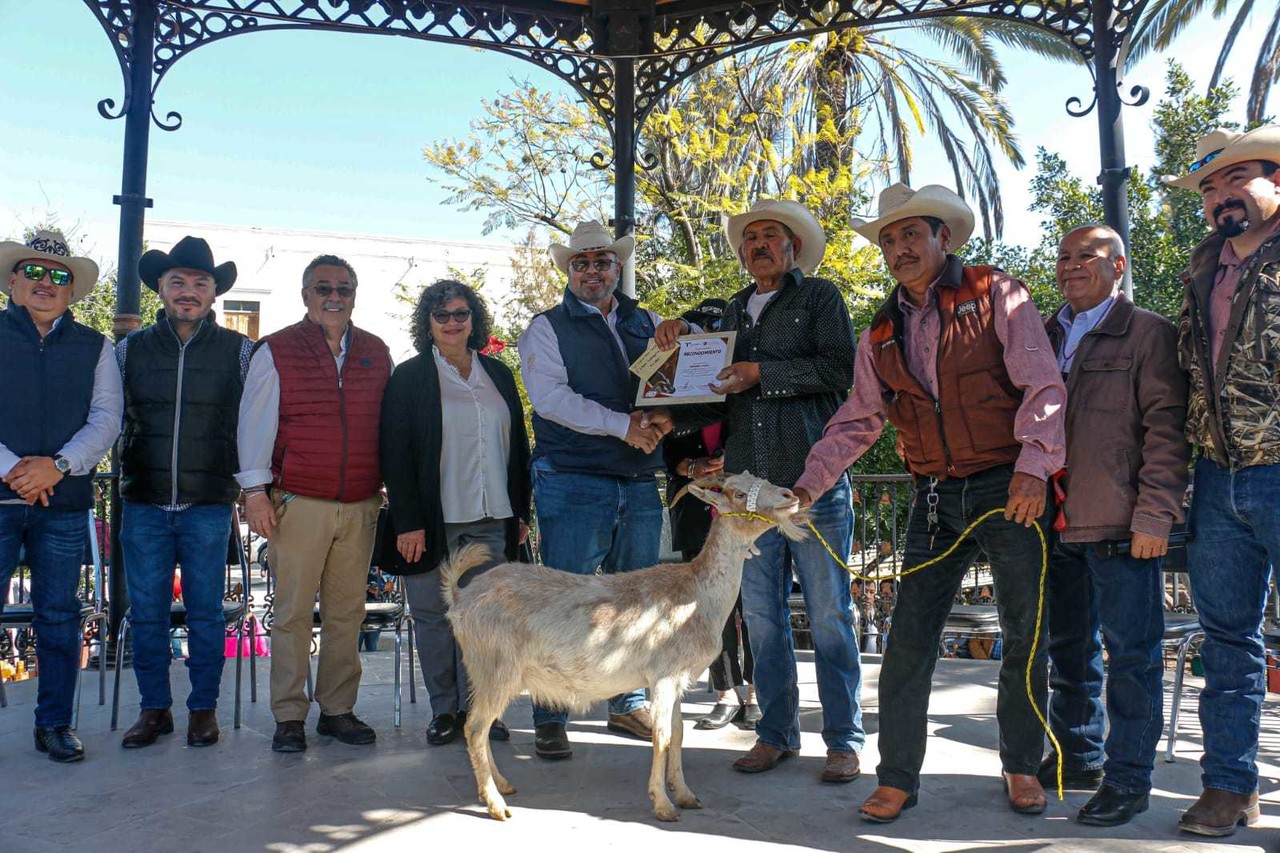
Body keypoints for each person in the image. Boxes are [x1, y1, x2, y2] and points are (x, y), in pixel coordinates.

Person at [791, 184, 1067, 820]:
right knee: (908, 640)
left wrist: (1033, 467)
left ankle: (1022, 765)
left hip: (1007, 489)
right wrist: (809, 484)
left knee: (1026, 635)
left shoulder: (996, 292)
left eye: (911, 234)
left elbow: (1042, 384)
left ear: (945, 238)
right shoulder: (880, 332)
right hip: (934, 497)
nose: (898, 248)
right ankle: (897, 777)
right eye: (888, 239)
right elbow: (857, 421)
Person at [651, 198, 864, 785]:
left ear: (793, 247)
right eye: (750, 239)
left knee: (828, 615)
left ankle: (844, 740)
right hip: (746, 493)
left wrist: (761, 373)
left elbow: (840, 370)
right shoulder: (733, 313)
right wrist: (670, 414)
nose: (759, 245)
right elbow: (714, 390)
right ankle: (776, 733)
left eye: (771, 236)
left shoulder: (821, 298)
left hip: (811, 486)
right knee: (765, 617)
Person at [1039, 224, 1190, 826]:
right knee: (1068, 650)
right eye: (1064, 257)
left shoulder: (1148, 332)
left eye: (1088, 256)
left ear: (1119, 265)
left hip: (1121, 523)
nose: (1072, 266)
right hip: (1053, 519)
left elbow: (1166, 431)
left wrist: (1155, 513)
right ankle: (1078, 759)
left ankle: (1129, 780)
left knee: (1133, 656)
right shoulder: (1042, 334)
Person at [1163, 125, 1280, 837]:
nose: (1219, 195)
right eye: (1208, 186)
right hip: (1217, 475)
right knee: (1226, 639)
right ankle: (1230, 785)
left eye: (1237, 178)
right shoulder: (1202, 269)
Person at [516, 220, 670, 759]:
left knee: (634, 601)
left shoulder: (647, 321)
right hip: (572, 477)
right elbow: (550, 400)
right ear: (569, 270)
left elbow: (670, 382)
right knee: (564, 600)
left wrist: (665, 416)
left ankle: (626, 701)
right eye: (581, 263)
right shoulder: (546, 327)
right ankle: (550, 714)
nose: (592, 271)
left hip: (637, 477)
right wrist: (624, 424)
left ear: (617, 268)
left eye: (602, 261)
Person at [237, 254, 392, 753]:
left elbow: (386, 426)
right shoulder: (276, 349)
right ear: (305, 294)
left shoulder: (375, 350)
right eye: (323, 287)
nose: (334, 296)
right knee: (292, 613)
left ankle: (338, 710)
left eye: (344, 288)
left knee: (348, 612)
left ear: (354, 295)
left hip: (361, 502)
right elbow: (255, 425)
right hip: (298, 501)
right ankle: (288, 715)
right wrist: (256, 492)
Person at [116, 236, 254, 750]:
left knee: (205, 612)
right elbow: (108, 416)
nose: (189, 292)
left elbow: (254, 424)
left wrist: (250, 485)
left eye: (200, 283)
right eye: (178, 282)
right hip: (144, 499)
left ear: (214, 293)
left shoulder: (241, 352)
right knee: (146, 612)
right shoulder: (127, 350)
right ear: (161, 288)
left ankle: (203, 710)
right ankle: (154, 710)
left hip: (208, 503)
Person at [380, 279, 531, 747]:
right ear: (427, 323)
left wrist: (520, 512)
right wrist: (408, 520)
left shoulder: (499, 374)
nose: (451, 323)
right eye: (441, 315)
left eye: (460, 314)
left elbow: (518, 449)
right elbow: (395, 452)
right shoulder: (409, 377)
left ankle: (485, 710)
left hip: (493, 517)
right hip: (432, 520)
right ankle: (445, 710)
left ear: (474, 321)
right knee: (433, 618)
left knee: (489, 622)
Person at [0, 229, 122, 762]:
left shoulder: (96, 347)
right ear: (11, 281)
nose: (45, 283)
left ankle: (53, 724)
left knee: (59, 615)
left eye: (58, 277)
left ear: (72, 292)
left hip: (65, 503)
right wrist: (15, 471)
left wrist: (59, 467)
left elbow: (106, 418)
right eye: (34, 272)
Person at [661, 298, 758, 730]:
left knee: (752, 604)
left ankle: (755, 693)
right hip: (696, 511)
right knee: (707, 608)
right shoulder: (675, 395)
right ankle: (723, 692)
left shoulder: (746, 390)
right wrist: (689, 468)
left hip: (741, 511)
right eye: (695, 337)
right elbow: (667, 455)